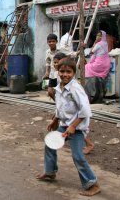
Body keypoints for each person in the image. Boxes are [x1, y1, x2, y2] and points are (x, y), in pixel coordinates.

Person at [36, 58, 101, 197]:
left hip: (77, 129)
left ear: (74, 73)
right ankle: (50, 172)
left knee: (77, 156)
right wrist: (55, 120)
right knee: (50, 144)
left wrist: (72, 127)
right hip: (64, 125)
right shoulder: (59, 86)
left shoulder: (75, 89)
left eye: (68, 72)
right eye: (62, 71)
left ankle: (93, 184)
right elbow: (61, 106)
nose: (65, 74)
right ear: (58, 72)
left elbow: (85, 111)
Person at [44, 34, 59, 100]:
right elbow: (47, 62)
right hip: (52, 74)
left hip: (60, 74)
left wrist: (79, 51)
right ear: (47, 42)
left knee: (60, 91)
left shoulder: (60, 50)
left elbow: (71, 54)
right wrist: (47, 72)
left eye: (53, 41)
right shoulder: (47, 52)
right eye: (49, 41)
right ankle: (57, 103)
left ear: (56, 42)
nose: (51, 43)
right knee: (50, 92)